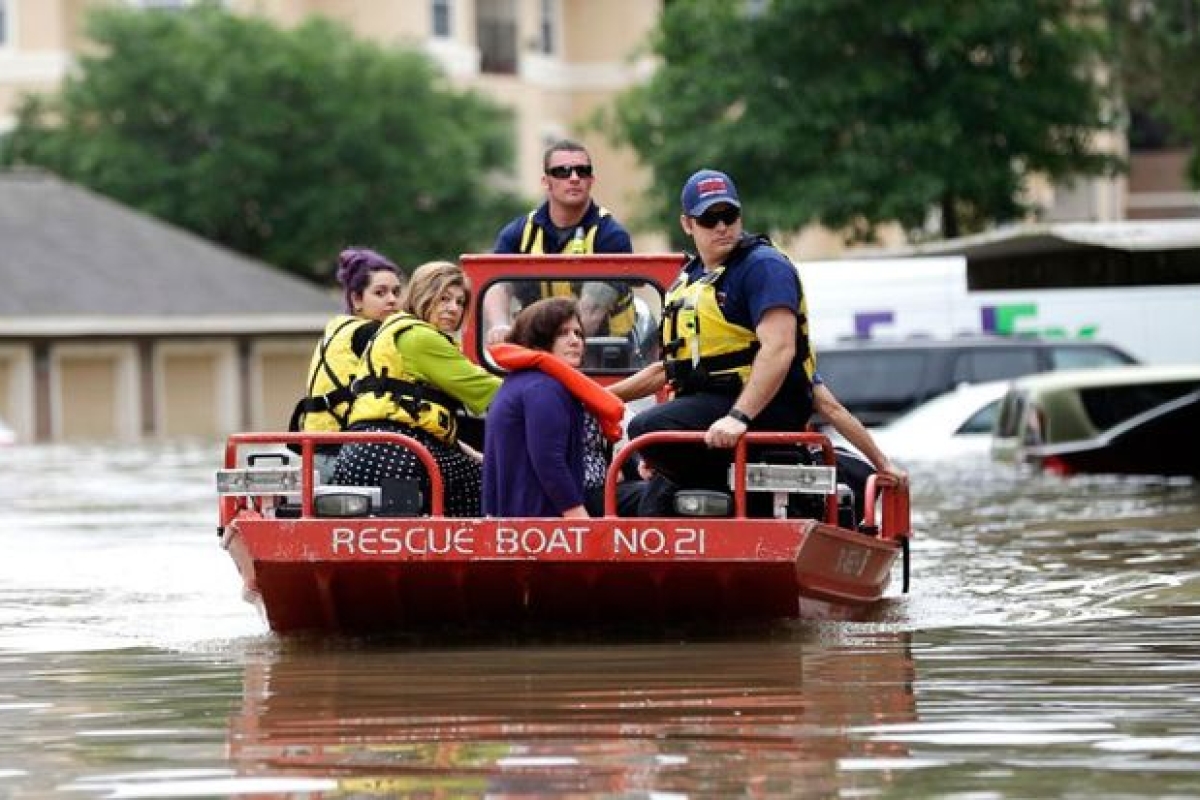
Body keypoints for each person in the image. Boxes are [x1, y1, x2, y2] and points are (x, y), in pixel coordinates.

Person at [627, 168, 821, 515]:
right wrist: (593, 397)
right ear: (687, 224)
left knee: (647, 427)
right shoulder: (693, 277)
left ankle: (732, 491)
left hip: (763, 404)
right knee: (651, 502)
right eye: (709, 219)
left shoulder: (762, 267)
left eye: (729, 216)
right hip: (712, 403)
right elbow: (668, 370)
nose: (721, 227)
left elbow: (779, 348)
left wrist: (738, 416)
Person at [333, 261, 501, 517]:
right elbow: (490, 390)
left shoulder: (398, 331)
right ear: (423, 295)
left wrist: (475, 455)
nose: (453, 308)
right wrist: (543, 391)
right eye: (444, 298)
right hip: (395, 453)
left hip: (363, 450)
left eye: (460, 302)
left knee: (478, 472)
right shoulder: (420, 338)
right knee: (490, 487)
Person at [485, 139, 634, 343]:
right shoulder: (519, 233)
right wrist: (499, 325)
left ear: (591, 180)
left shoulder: (610, 235)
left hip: (605, 350)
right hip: (539, 344)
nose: (574, 178)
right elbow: (497, 285)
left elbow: (590, 313)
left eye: (582, 171)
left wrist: (545, 345)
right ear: (546, 181)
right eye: (562, 172)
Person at [289, 248, 403, 482]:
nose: (392, 299)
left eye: (396, 292)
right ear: (356, 299)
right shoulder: (369, 333)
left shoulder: (339, 329)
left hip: (319, 454)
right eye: (380, 293)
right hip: (340, 454)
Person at [483, 298, 597, 518]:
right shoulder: (543, 388)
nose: (575, 341)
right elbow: (549, 461)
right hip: (539, 524)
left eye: (578, 333)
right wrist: (579, 518)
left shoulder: (520, 381)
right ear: (538, 339)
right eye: (563, 333)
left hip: (513, 523)